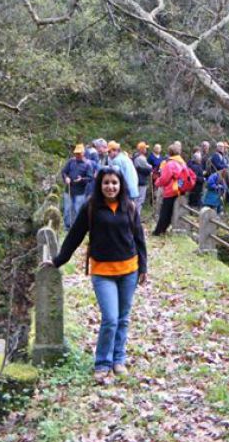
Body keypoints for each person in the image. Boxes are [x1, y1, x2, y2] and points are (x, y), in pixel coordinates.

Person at [45, 167, 147, 382]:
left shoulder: (129, 206)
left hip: (129, 269)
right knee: (110, 318)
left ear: (121, 185)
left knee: (123, 318)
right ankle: (102, 363)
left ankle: (118, 360)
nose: (111, 187)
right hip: (102, 271)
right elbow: (74, 236)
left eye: (114, 183)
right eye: (106, 183)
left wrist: (143, 267)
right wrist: (58, 261)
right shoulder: (91, 207)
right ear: (100, 185)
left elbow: (139, 238)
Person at [152, 142, 186, 235]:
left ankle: (158, 231)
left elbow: (164, 179)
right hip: (180, 188)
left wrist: (157, 182)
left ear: (170, 153)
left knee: (165, 211)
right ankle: (166, 229)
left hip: (171, 190)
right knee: (173, 210)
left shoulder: (170, 164)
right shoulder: (182, 162)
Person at [61, 144, 94, 229]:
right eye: (76, 153)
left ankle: (77, 228)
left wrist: (82, 179)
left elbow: (90, 178)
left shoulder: (88, 164)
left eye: (79, 153)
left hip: (80, 192)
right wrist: (66, 178)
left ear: (83, 153)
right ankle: (67, 227)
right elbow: (64, 172)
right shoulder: (71, 161)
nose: (77, 155)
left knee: (78, 210)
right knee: (67, 210)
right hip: (68, 190)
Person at [133, 142, 153, 215]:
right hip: (141, 181)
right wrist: (150, 168)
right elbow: (149, 167)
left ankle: (135, 214)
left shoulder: (135, 156)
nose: (146, 150)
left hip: (137, 180)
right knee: (140, 199)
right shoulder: (141, 158)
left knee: (136, 199)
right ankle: (136, 215)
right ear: (141, 149)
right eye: (145, 148)